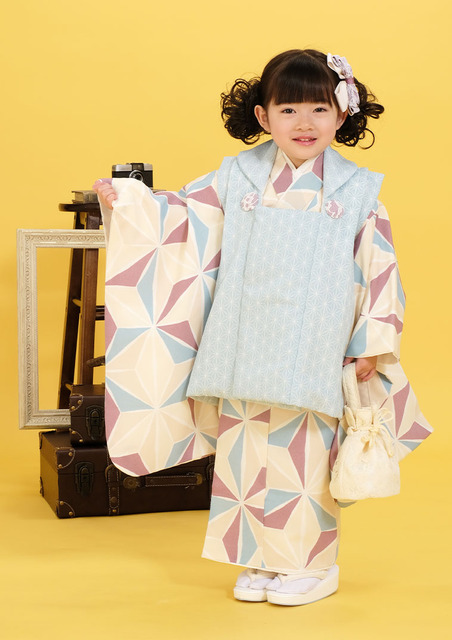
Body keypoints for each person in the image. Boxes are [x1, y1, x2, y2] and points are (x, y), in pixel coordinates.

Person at [94, 49, 431, 606]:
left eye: (319, 109)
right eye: (288, 109)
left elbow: (380, 270)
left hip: (316, 344)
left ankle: (311, 564)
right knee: (244, 452)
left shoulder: (357, 190)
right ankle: (257, 558)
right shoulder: (238, 176)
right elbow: (180, 219)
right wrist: (130, 203)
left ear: (342, 114)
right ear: (262, 116)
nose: (304, 123)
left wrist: (370, 343)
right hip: (242, 339)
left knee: (304, 458)